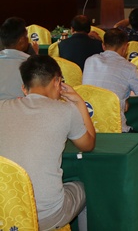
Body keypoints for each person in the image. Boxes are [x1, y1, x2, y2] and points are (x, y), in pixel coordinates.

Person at [0, 55, 95, 230]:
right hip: (46, 217)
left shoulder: (2, 106)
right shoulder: (66, 110)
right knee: (83, 187)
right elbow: (88, 145)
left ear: (24, 89)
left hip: (5, 212)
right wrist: (79, 102)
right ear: (57, 82)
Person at [83, 28, 138, 132]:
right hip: (116, 130)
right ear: (125, 48)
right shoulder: (128, 68)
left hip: (88, 128)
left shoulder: (89, 61)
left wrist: (123, 99)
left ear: (103, 46)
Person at [0, 17, 31, 100]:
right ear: (22, 40)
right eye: (26, 36)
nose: (28, 39)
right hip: (21, 107)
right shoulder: (32, 65)